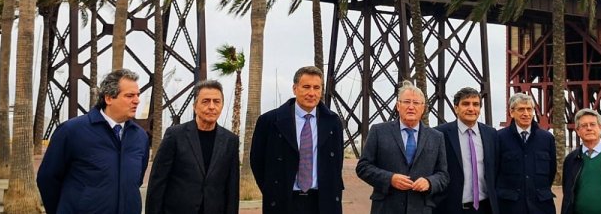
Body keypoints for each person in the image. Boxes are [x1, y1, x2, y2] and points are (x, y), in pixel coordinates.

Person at [37, 69, 150, 214]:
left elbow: (136, 180)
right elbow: (48, 179)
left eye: (137, 95)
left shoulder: (140, 137)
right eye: (129, 96)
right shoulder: (71, 131)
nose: (137, 100)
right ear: (109, 98)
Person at [250, 65, 345, 214]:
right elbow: (257, 161)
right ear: (295, 89)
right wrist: (272, 190)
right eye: (306, 87)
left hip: (322, 201)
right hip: (283, 200)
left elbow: (337, 161)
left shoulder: (333, 122)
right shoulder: (269, 121)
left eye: (316, 87)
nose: (311, 93)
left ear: (321, 90)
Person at [145, 79, 239, 214]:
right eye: (206, 101)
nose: (212, 106)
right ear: (195, 106)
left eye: (216, 101)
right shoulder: (175, 135)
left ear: (222, 106)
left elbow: (232, 189)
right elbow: (157, 182)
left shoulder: (230, 141)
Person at [356, 81, 449, 214]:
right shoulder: (378, 131)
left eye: (416, 103)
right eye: (406, 102)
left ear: (423, 108)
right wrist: (390, 179)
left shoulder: (436, 137)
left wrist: (429, 182)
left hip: (421, 209)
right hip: (386, 208)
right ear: (398, 106)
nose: (411, 107)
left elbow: (443, 175)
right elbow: (363, 167)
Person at [438, 87, 499, 213]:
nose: (471, 109)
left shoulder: (491, 134)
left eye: (476, 104)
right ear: (456, 108)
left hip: (485, 208)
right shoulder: (440, 134)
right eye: (466, 104)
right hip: (452, 208)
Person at [495, 93, 556, 214]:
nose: (526, 113)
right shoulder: (499, 137)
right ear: (511, 112)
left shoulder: (547, 138)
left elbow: (551, 171)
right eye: (521, 109)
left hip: (541, 206)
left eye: (529, 109)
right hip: (509, 206)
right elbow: (494, 171)